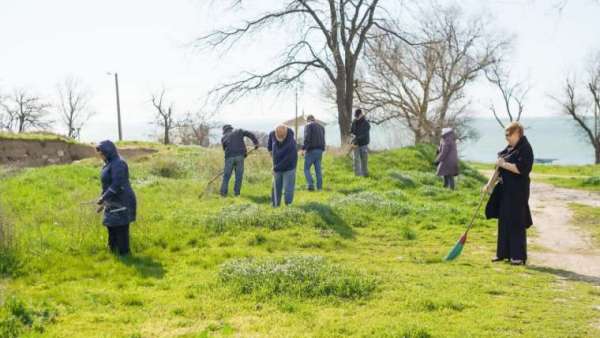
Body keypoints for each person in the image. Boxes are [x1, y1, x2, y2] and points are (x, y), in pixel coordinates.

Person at [484, 122, 534, 265]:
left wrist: (504, 164)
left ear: (517, 133)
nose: (506, 138)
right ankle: (502, 254)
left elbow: (521, 169)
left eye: (509, 135)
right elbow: (498, 169)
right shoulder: (509, 148)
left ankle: (517, 256)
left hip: (518, 191)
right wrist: (489, 185)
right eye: (505, 135)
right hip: (505, 190)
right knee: (504, 220)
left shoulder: (525, 149)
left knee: (516, 221)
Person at [96, 140, 137, 256]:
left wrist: (103, 198)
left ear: (108, 152)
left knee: (121, 228)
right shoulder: (108, 164)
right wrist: (103, 201)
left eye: (102, 153)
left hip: (123, 201)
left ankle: (125, 254)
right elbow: (106, 185)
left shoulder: (119, 164)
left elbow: (117, 184)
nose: (100, 156)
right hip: (112, 200)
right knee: (111, 225)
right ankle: (113, 252)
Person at [220, 124, 259, 197]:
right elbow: (249, 134)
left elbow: (224, 149)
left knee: (226, 176)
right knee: (239, 176)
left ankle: (223, 194)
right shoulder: (239, 131)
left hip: (229, 158)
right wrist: (256, 143)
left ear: (224, 131)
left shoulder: (223, 137)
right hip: (240, 156)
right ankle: (236, 194)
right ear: (231, 129)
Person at [268, 124, 298, 207]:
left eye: (282, 138)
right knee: (276, 186)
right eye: (278, 138)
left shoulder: (291, 144)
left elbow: (287, 160)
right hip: (277, 164)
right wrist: (271, 151)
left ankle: (288, 205)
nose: (280, 140)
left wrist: (275, 168)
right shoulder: (272, 134)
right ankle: (275, 204)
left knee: (288, 187)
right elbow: (270, 146)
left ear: (285, 134)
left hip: (289, 166)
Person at [301, 115, 326, 191]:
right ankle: (319, 188)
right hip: (320, 150)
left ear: (307, 120)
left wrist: (303, 149)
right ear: (314, 119)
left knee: (306, 169)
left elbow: (307, 138)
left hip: (311, 150)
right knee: (318, 170)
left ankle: (311, 185)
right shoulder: (321, 127)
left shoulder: (308, 126)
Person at [350, 108, 370, 177]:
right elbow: (352, 131)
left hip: (364, 144)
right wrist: (352, 137)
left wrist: (356, 139)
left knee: (364, 160)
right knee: (356, 160)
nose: (356, 117)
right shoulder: (354, 122)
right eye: (355, 116)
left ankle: (365, 174)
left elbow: (364, 135)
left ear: (361, 114)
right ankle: (357, 175)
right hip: (355, 144)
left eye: (357, 116)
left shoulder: (366, 123)